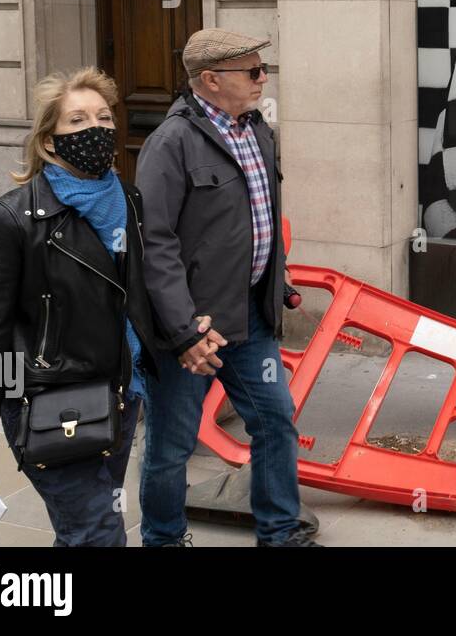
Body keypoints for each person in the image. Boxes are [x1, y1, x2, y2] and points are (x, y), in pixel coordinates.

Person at [0, 67, 159, 546]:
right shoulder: (12, 219)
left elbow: (133, 296)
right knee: (98, 534)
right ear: (48, 139)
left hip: (120, 395)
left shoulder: (128, 198)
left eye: (103, 117)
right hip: (48, 400)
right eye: (77, 120)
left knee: (81, 531)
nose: (96, 130)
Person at [136, 28, 317, 547]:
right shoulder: (169, 144)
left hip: (251, 316)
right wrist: (183, 330)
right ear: (211, 80)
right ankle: (164, 540)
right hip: (194, 329)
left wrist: (275, 275)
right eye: (253, 71)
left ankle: (280, 534)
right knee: (172, 444)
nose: (264, 79)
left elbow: (262, 215)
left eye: (264, 69)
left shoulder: (256, 129)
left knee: (276, 422)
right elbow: (156, 243)